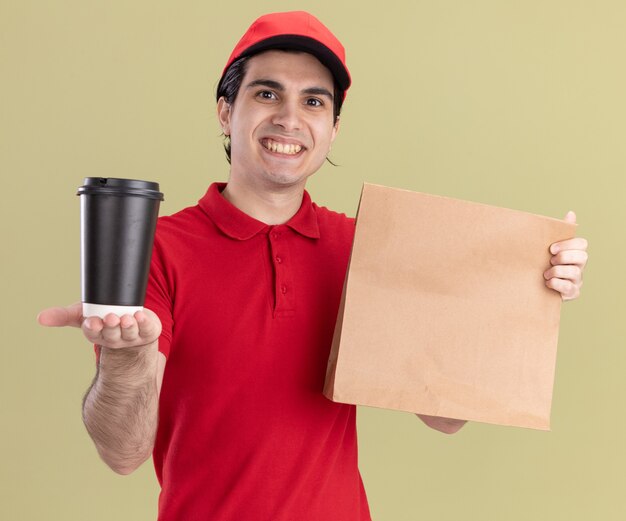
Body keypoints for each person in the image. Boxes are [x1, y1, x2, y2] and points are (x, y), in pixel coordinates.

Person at [38, 11, 589, 521]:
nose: (289, 118)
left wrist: (524, 290)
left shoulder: (361, 247)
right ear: (227, 113)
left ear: (333, 129)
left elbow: (445, 414)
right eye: (267, 92)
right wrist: (127, 357)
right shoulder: (160, 249)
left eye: (314, 102)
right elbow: (123, 453)